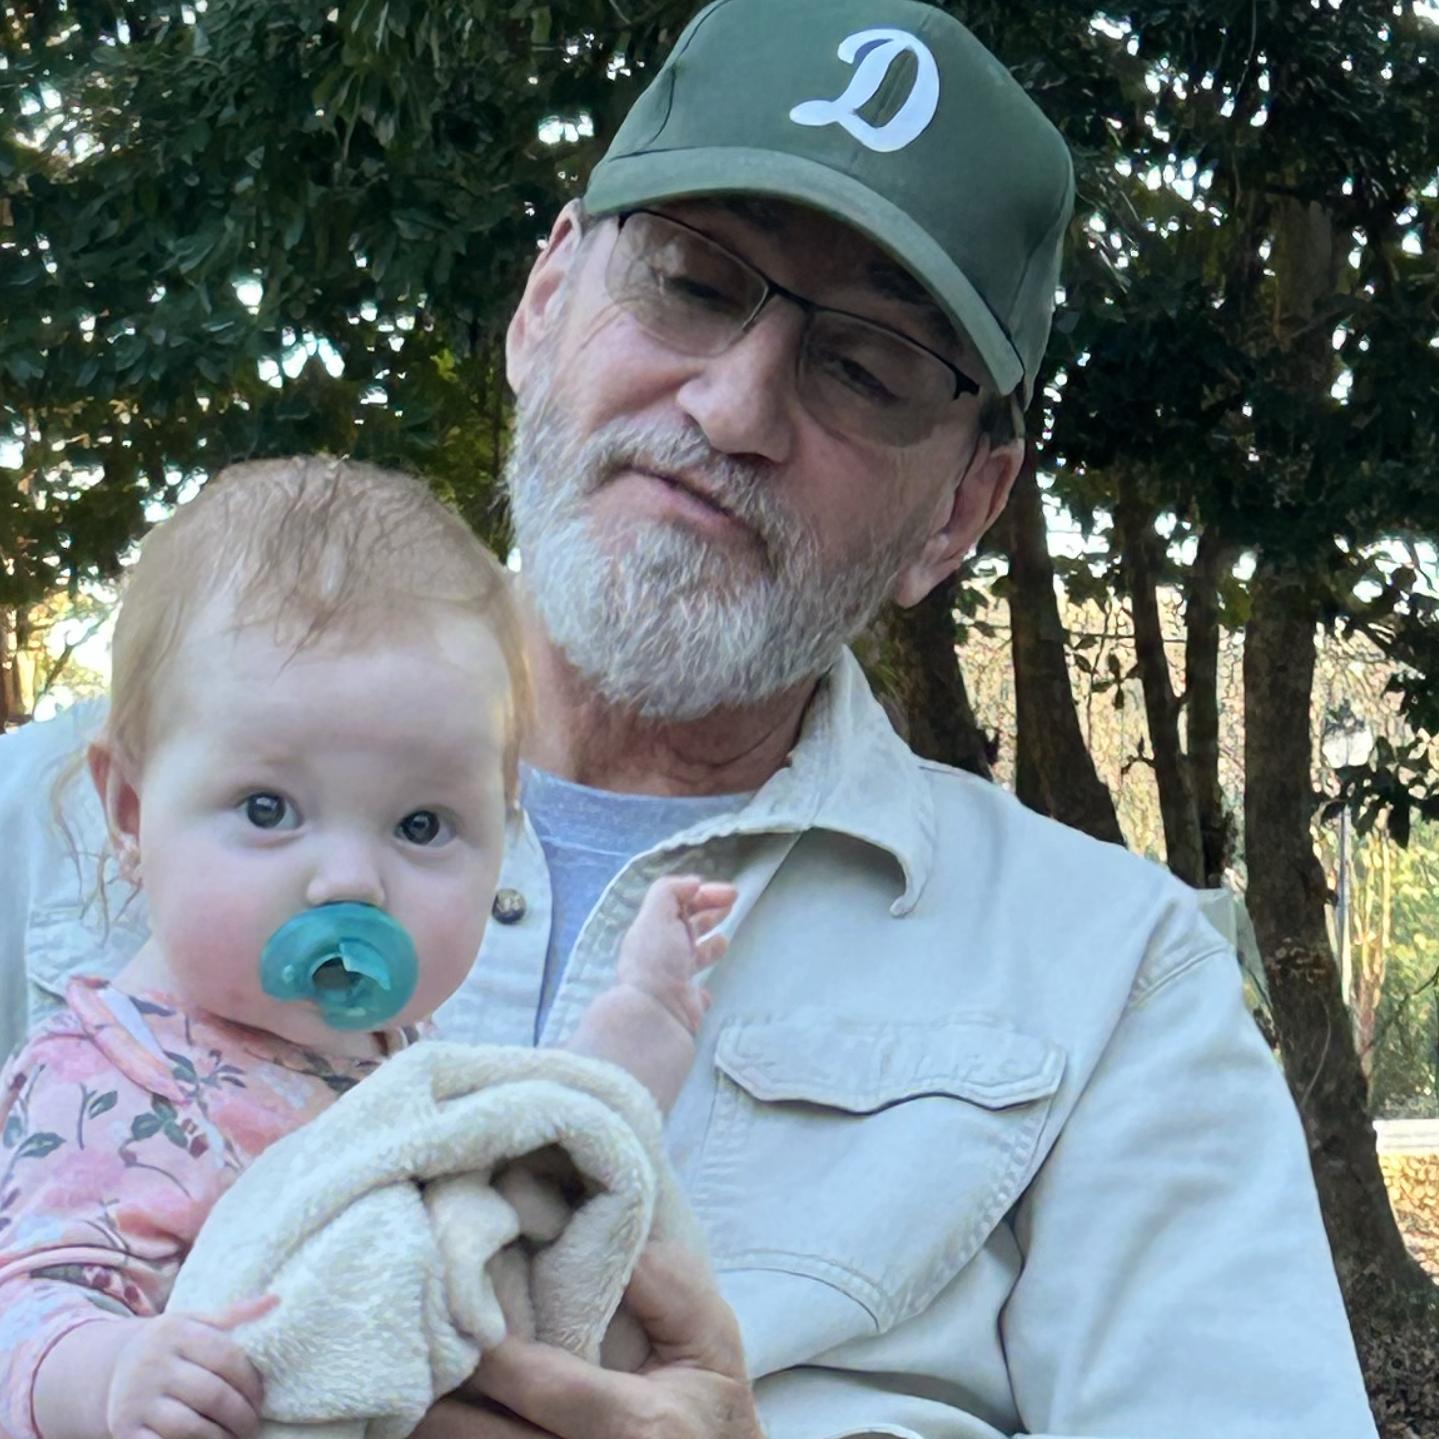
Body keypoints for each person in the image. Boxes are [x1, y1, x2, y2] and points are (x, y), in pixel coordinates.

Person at [0, 0, 1378, 1435]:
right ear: (543, 302)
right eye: (691, 281)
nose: (732, 407)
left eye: (865, 367)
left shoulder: (1113, 980)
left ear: (962, 506)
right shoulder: (37, 818)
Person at [0, 458, 734, 1439]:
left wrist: (637, 1017)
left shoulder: (399, 1053)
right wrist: (107, 1374)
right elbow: (28, 1305)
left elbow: (525, 1155)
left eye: (421, 825)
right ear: (131, 811)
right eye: (268, 808)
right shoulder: (103, 1082)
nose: (349, 880)